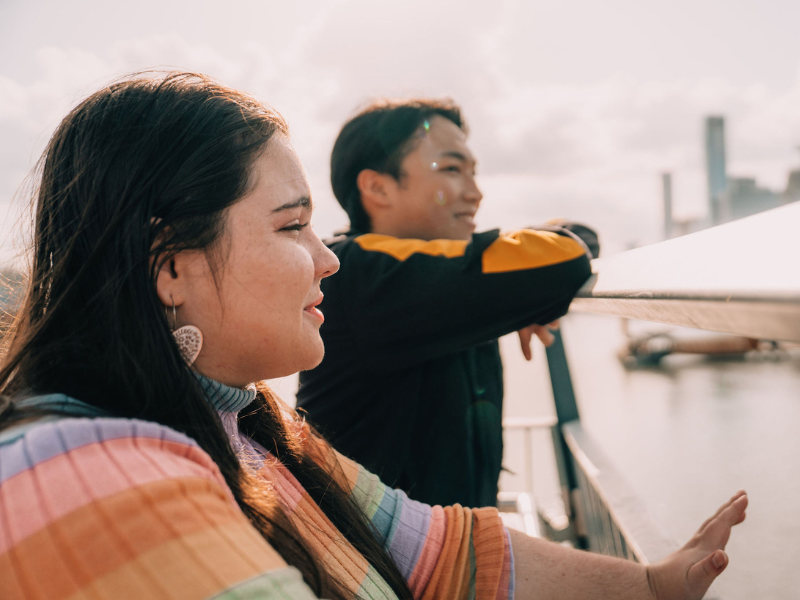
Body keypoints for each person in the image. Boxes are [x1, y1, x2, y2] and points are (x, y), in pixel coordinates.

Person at [0, 72, 746, 600]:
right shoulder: (96, 478)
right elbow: (549, 257)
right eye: (292, 225)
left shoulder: (247, 427)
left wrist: (652, 585)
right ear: (170, 267)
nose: (324, 257)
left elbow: (441, 551)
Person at [297, 99, 597, 507]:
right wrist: (535, 288)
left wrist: (530, 292)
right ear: (378, 187)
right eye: (452, 169)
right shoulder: (366, 274)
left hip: (434, 553)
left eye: (473, 172)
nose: (475, 194)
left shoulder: (440, 274)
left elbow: (578, 239)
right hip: (375, 561)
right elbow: (566, 257)